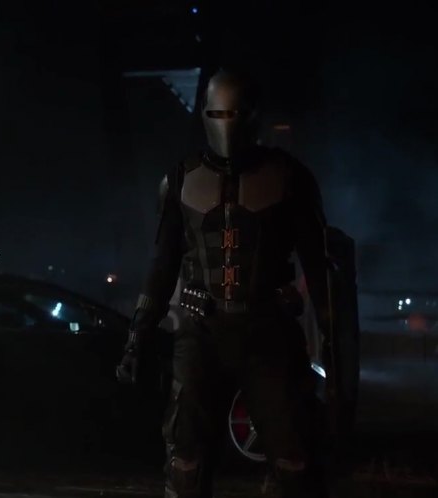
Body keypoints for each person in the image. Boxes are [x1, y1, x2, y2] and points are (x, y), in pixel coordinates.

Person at [117, 68, 333, 498]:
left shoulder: (289, 178)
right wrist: (138, 336)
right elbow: (162, 266)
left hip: (267, 332)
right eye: (219, 113)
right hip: (201, 332)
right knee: (186, 460)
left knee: (294, 459)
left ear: (252, 115)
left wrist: (335, 342)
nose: (226, 124)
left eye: (233, 113)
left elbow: (319, 267)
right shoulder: (181, 179)